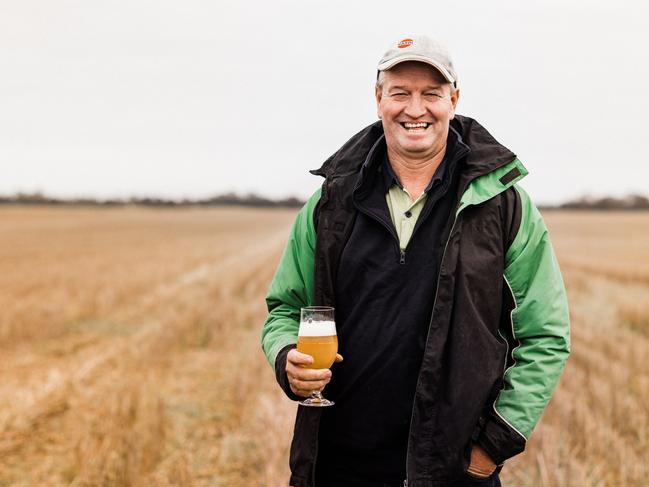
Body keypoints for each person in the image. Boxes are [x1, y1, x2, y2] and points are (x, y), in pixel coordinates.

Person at [261, 35, 570, 487]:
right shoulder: (331, 203)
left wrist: (493, 445)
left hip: (454, 467)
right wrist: (286, 355)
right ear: (378, 98)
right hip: (339, 464)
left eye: (431, 94)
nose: (415, 108)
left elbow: (546, 334)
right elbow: (286, 309)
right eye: (400, 93)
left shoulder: (503, 206)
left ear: (454, 99)